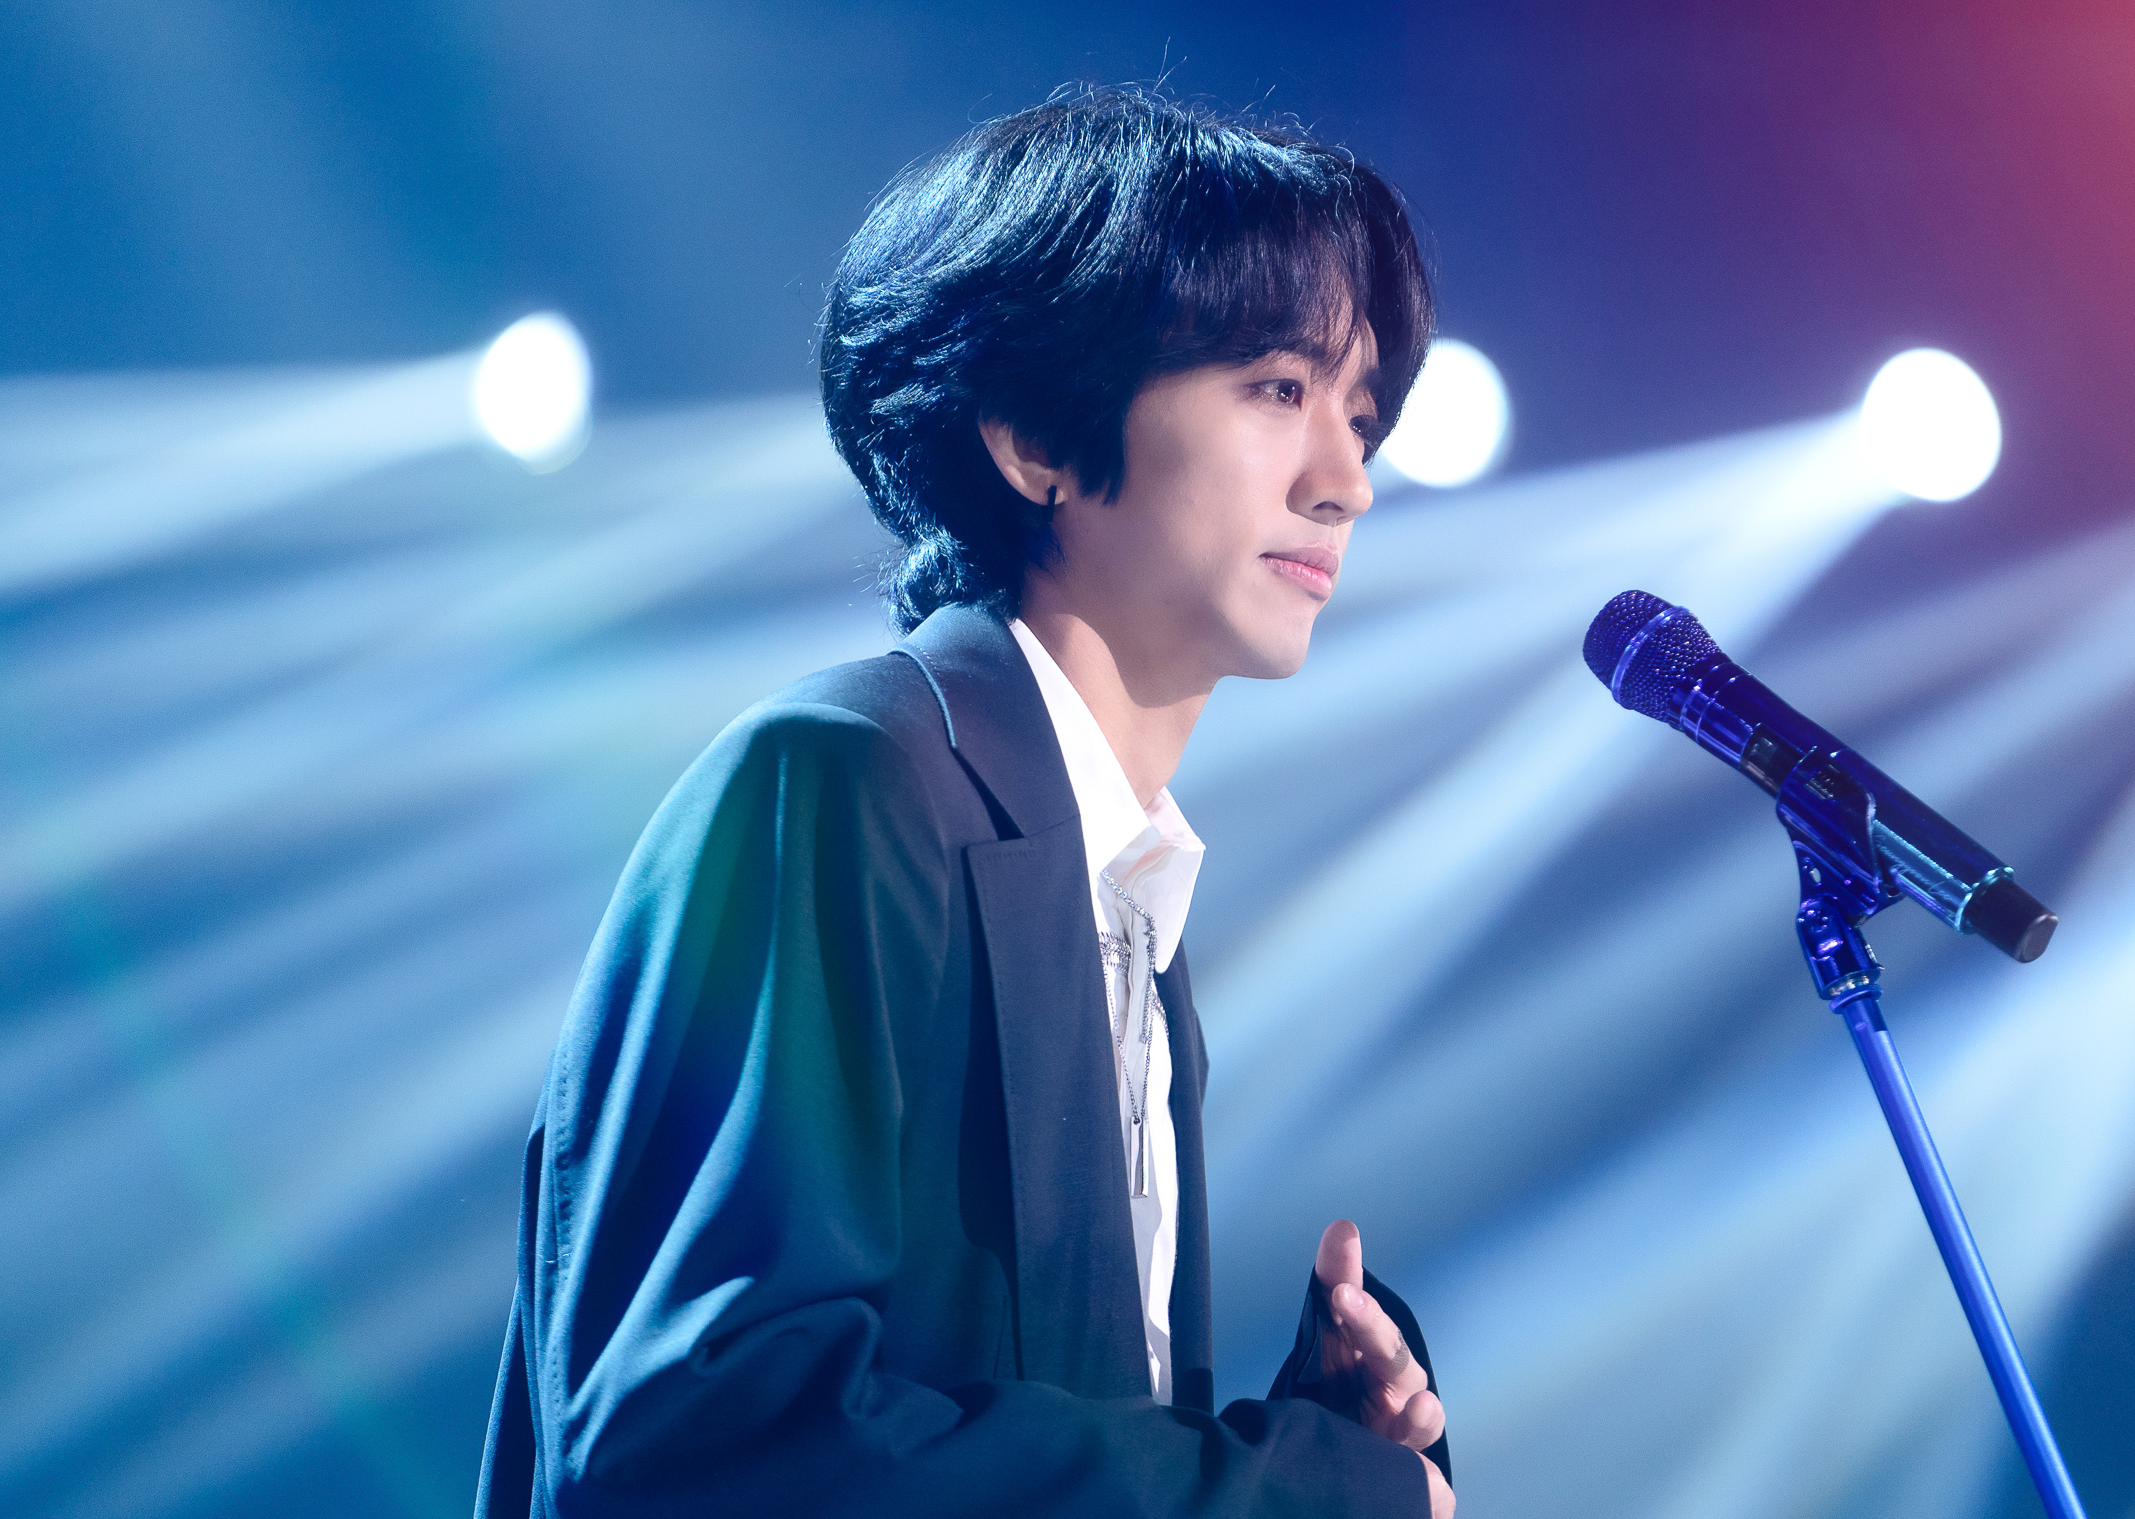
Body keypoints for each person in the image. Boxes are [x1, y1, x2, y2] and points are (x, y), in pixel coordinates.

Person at [474, 86, 1453, 1519]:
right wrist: (1280, 1499)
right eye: (1275, 388)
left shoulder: (1123, 903)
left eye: (1361, 414)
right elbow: (702, 1437)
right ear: (1035, 434)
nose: (1346, 481)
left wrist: (1304, 1444)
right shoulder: (840, 783)